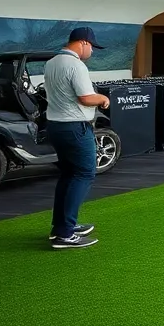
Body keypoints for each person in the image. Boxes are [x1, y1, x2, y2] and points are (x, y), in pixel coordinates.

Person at [44, 27, 111, 249]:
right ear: (83, 43)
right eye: (91, 46)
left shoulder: (52, 62)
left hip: (55, 126)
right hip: (74, 127)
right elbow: (85, 98)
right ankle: (65, 233)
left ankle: (61, 227)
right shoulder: (76, 65)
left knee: (68, 175)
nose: (92, 51)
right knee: (84, 173)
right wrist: (102, 98)